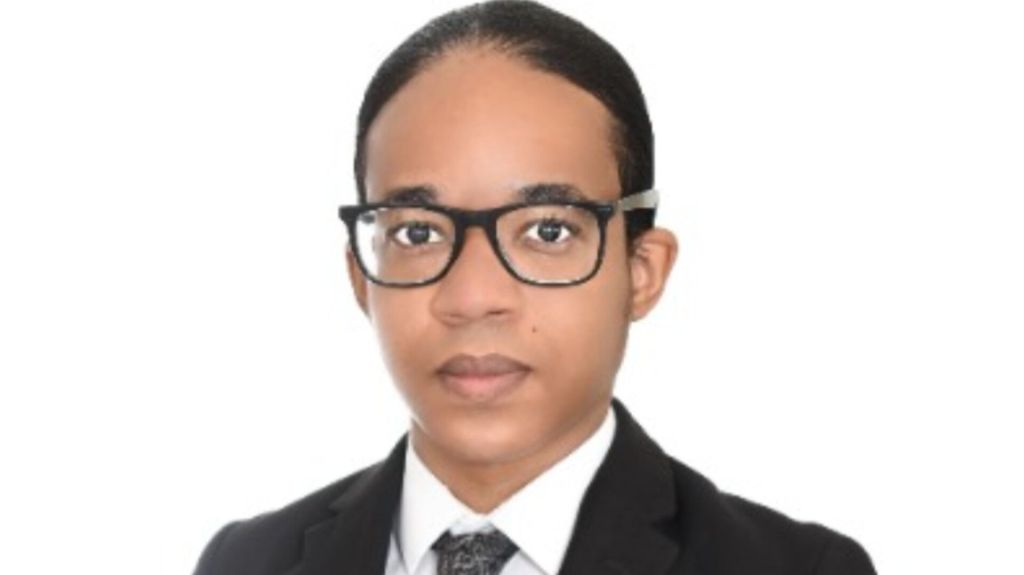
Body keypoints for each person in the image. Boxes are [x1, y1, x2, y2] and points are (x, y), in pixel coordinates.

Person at [192, 1, 876, 573]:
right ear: (359, 277)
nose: (473, 298)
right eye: (419, 232)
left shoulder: (798, 568)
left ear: (642, 271)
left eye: (548, 231)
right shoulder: (247, 562)